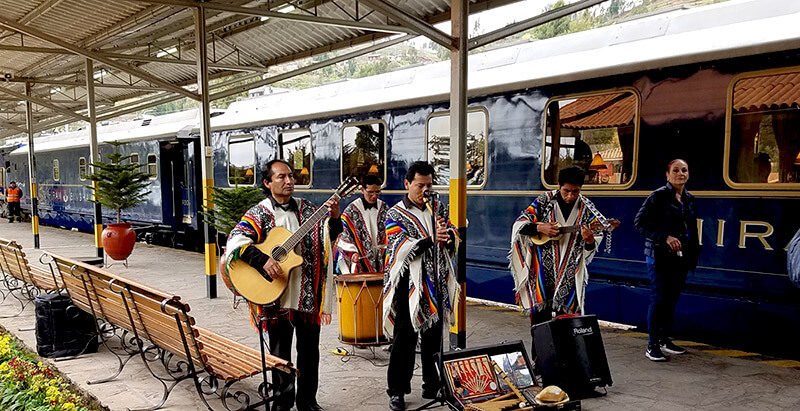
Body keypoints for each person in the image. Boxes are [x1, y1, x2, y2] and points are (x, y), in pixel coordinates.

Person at [224, 159, 342, 411]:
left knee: (310, 353)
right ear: (267, 183)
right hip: (275, 296)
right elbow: (235, 241)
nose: (289, 181)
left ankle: (308, 402)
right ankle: (282, 403)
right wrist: (262, 259)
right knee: (280, 357)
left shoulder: (309, 209)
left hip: (308, 294)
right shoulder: (259, 213)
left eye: (290, 176)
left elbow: (327, 239)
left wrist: (334, 218)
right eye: (281, 177)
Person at [383, 161, 459, 411]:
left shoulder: (437, 208)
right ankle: (397, 390)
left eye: (429, 185)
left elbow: (452, 236)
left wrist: (449, 237)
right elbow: (399, 245)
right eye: (420, 185)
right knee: (404, 340)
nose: (425, 190)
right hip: (409, 286)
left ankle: (432, 384)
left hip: (435, 281)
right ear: (407, 184)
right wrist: (430, 239)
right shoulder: (394, 213)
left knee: (433, 337)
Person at [509, 166, 607, 328]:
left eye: (575, 192)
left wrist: (589, 240)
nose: (570, 196)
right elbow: (520, 224)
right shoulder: (544, 201)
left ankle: (565, 353)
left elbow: (591, 246)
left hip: (569, 273)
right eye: (566, 191)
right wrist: (540, 228)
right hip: (541, 271)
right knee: (540, 327)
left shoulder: (587, 208)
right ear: (559, 186)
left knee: (568, 326)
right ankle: (539, 354)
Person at [634, 159, 700, 362]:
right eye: (676, 170)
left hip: (680, 257)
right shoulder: (658, 196)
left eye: (684, 170)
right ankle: (652, 345)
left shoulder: (689, 198)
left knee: (671, 299)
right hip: (658, 255)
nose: (681, 174)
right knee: (659, 299)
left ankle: (664, 340)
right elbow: (640, 222)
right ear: (667, 174)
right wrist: (665, 237)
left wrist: (693, 252)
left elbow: (691, 228)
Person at [338, 174, 389, 274]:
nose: (374, 196)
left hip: (381, 258)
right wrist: (352, 252)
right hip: (359, 260)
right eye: (370, 192)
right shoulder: (351, 210)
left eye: (377, 192)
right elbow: (345, 233)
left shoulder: (384, 208)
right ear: (362, 190)